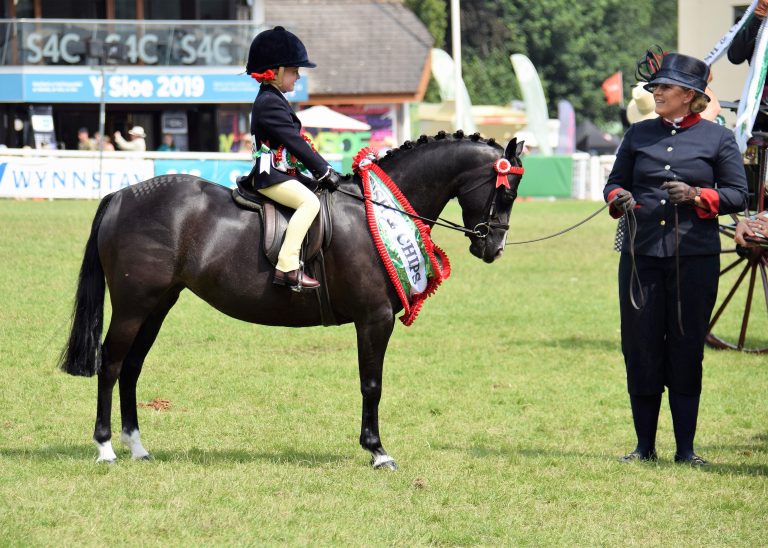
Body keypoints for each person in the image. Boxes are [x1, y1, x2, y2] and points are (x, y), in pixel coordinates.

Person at [604, 52, 749, 466]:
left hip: (695, 258)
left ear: (689, 95)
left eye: (664, 87)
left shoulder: (718, 139)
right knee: (641, 346)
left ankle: (686, 450)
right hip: (641, 255)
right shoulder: (637, 135)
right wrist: (620, 199)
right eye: (655, 87)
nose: (656, 92)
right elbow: (614, 184)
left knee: (686, 348)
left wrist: (699, 196)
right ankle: (644, 447)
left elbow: (737, 194)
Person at [245, 26, 340, 290]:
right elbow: (295, 143)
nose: (298, 77)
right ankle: (287, 266)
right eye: (294, 71)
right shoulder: (270, 102)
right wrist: (323, 170)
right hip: (270, 176)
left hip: (281, 172)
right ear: (274, 72)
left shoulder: (273, 98)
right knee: (310, 203)